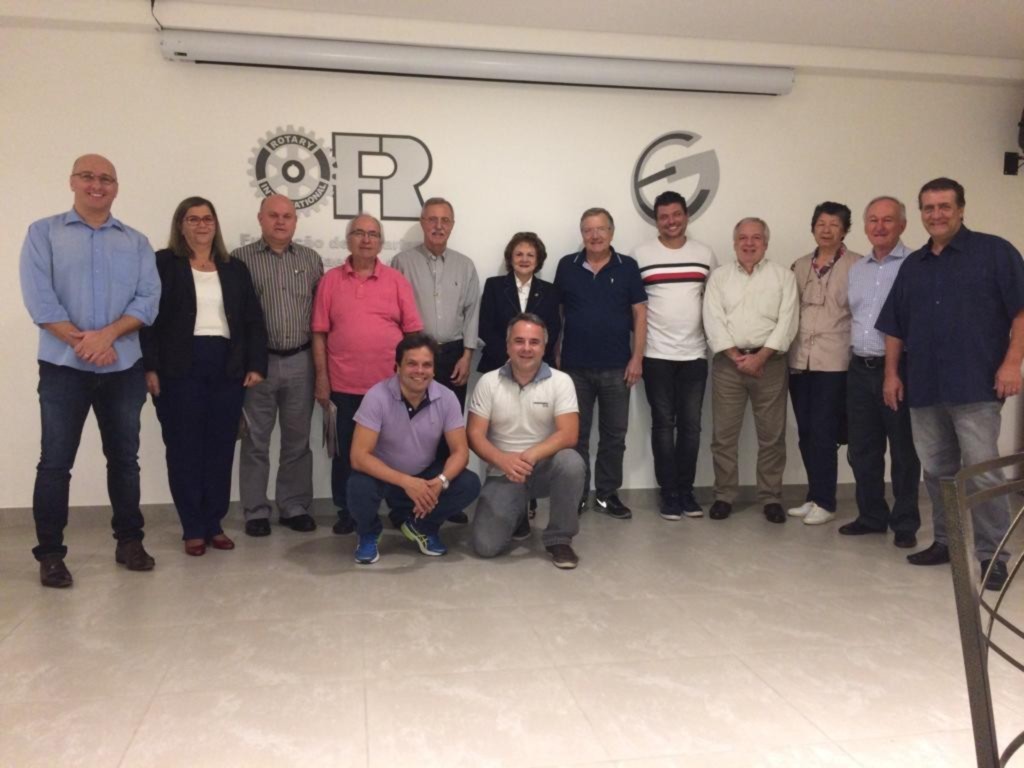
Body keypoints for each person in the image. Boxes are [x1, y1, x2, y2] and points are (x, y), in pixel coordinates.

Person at [20, 154, 161, 587]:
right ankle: (50, 554)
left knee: (125, 461)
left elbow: (148, 300)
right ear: (72, 182)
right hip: (64, 368)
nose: (96, 185)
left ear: (116, 187)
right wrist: (85, 343)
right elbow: (40, 300)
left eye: (106, 179)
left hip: (123, 368)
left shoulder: (136, 242)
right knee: (55, 463)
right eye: (88, 176)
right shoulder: (43, 233)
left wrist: (108, 336)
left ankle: (129, 542)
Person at [878, 177, 1024, 591]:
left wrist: (1013, 363)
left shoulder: (994, 252)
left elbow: (1021, 311)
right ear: (920, 214)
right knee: (938, 471)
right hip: (924, 386)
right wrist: (891, 374)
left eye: (944, 206)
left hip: (976, 384)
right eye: (929, 208)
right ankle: (947, 542)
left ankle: (993, 555)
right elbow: (895, 327)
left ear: (961, 209)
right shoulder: (914, 266)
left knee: (981, 473)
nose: (936, 215)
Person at [141, 196, 267, 556]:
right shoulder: (163, 264)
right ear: (180, 225)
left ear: (216, 225)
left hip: (227, 366)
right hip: (178, 368)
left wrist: (256, 364)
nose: (201, 225)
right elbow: (147, 319)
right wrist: (149, 366)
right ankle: (193, 526)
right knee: (184, 448)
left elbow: (252, 320)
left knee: (220, 448)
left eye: (207, 218)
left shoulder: (233, 267)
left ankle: (214, 522)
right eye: (193, 219)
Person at [312, 214, 423, 535]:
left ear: (380, 242)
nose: (365, 239)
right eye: (359, 233)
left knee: (398, 452)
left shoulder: (396, 281)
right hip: (343, 385)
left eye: (372, 234)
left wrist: (411, 380)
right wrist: (322, 378)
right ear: (348, 240)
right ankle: (348, 511)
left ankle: (400, 509)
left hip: (390, 387)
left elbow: (413, 333)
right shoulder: (330, 281)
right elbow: (319, 333)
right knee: (346, 454)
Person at [232, 194, 324, 537]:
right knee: (255, 440)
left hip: (301, 360)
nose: (281, 221)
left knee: (297, 441)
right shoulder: (240, 260)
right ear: (260, 219)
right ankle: (255, 510)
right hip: (259, 365)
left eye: (287, 216)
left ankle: (294, 506)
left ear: (296, 221)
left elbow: (321, 316)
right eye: (273, 215)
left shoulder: (311, 260)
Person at [347, 334, 481, 564]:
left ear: (434, 370)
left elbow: (461, 452)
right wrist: (406, 482)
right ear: (398, 367)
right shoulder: (376, 396)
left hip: (424, 474)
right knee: (357, 486)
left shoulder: (447, 397)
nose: (420, 371)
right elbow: (358, 457)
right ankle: (368, 532)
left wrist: (440, 481)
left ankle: (421, 527)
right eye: (412, 363)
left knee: (469, 483)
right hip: (385, 476)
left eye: (426, 365)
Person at [468, 314, 585, 569]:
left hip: (543, 468)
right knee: (485, 546)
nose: (526, 348)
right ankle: (518, 514)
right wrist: (503, 460)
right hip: (503, 471)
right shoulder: (488, 382)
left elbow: (569, 434)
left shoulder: (561, 381)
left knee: (571, 462)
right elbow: (474, 435)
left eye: (534, 342)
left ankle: (559, 538)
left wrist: (529, 456)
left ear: (544, 347)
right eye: (519, 341)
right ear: (508, 345)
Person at [702, 217, 799, 523]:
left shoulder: (783, 277)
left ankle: (771, 497)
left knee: (772, 436)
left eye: (756, 238)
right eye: (742, 238)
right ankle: (723, 495)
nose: (749, 243)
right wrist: (736, 356)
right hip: (728, 366)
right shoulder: (719, 278)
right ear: (734, 243)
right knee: (723, 436)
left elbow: (788, 321)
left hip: (770, 365)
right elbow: (712, 319)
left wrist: (760, 357)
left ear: (765, 243)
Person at [554, 207, 647, 519]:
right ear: (582, 234)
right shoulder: (567, 265)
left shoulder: (627, 266)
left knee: (614, 436)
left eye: (601, 229)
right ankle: (577, 494)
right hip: (574, 368)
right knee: (575, 436)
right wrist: (556, 350)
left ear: (611, 232)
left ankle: (607, 495)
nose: (594, 235)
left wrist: (637, 357)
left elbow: (640, 313)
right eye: (588, 230)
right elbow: (559, 313)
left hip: (617, 367)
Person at [840, 196, 920, 548]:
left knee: (903, 451)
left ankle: (905, 522)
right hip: (859, 368)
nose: (880, 226)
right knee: (862, 450)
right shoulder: (857, 269)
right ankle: (872, 516)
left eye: (888, 220)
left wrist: (894, 373)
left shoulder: (916, 265)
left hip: (899, 369)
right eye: (873, 220)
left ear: (902, 225)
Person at [632, 191, 716, 520]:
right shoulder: (641, 255)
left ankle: (686, 492)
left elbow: (714, 300)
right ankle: (668, 494)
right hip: (656, 354)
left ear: (686, 216)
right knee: (663, 425)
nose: (671, 221)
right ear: (656, 220)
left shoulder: (704, 254)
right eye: (664, 216)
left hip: (695, 355)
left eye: (676, 214)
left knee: (692, 427)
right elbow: (633, 308)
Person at [786, 202, 861, 526]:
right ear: (813, 227)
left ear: (845, 230)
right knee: (805, 432)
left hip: (834, 362)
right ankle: (814, 496)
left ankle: (827, 501)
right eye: (821, 224)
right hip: (799, 360)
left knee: (824, 432)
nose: (826, 229)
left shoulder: (857, 265)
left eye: (834, 224)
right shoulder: (799, 265)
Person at [391, 197, 480, 410]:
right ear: (422, 222)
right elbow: (393, 314)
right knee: (413, 416)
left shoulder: (465, 265)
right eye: (432, 219)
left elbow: (472, 313)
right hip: (415, 354)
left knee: (450, 417)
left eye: (445, 220)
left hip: (454, 356)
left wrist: (467, 357)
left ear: (452, 225)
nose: (439, 226)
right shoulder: (402, 263)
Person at [477, 232, 560, 373]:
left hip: (539, 364)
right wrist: (511, 357)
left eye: (530, 255)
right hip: (499, 362)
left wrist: (532, 358)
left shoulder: (550, 290)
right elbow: (485, 327)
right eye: (519, 254)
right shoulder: (493, 286)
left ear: (538, 260)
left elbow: (552, 329)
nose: (524, 259)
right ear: (510, 258)